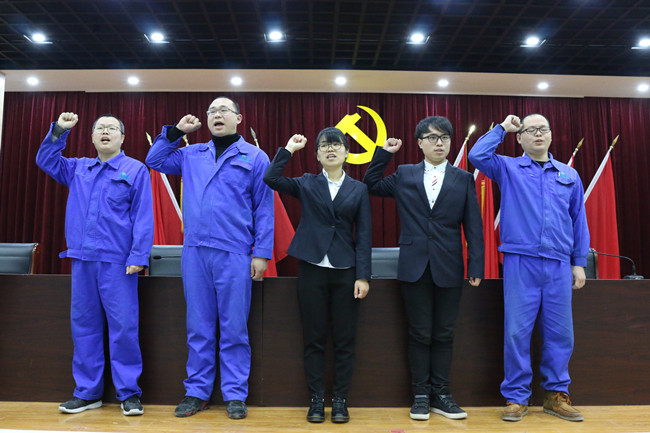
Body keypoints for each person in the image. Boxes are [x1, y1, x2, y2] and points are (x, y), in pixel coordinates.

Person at [145, 96, 274, 420]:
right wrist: (176, 131)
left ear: (238, 118)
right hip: (196, 251)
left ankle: (235, 394)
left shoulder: (255, 157)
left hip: (235, 252)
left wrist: (261, 253)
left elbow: (264, 207)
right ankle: (197, 391)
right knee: (199, 326)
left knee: (234, 327)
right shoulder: (191, 154)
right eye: (212, 111)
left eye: (224, 111)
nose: (217, 115)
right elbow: (154, 159)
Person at [468, 114, 589, 422]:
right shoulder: (508, 168)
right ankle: (516, 397)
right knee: (516, 332)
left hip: (559, 263)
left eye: (543, 129)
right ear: (519, 138)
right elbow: (477, 155)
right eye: (530, 130)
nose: (538, 134)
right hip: (521, 261)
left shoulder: (569, 175)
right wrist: (501, 129)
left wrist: (578, 262)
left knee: (560, 333)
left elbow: (579, 220)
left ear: (551, 135)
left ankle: (555, 395)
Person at [363, 116, 484, 421]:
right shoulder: (405, 173)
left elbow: (473, 225)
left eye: (444, 137)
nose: (439, 143)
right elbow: (370, 184)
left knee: (444, 333)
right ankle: (420, 396)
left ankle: (442, 395)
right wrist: (385, 153)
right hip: (414, 265)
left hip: (450, 265)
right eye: (432, 138)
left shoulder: (463, 179)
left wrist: (476, 264)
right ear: (419, 143)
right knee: (419, 333)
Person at [36, 112, 153, 416]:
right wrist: (59, 130)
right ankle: (88, 393)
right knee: (84, 327)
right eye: (100, 128)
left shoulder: (135, 169)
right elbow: (45, 160)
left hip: (118, 262)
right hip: (82, 259)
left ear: (122, 138)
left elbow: (143, 216)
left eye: (112, 128)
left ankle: (129, 393)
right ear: (91, 137)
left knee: (123, 326)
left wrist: (138, 255)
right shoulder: (78, 168)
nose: (105, 132)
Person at [263, 128, 371, 424]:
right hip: (312, 269)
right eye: (325, 146)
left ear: (347, 153)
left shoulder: (359, 189)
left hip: (346, 273)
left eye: (336, 145)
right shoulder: (307, 183)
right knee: (314, 339)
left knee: (345, 341)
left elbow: (364, 235)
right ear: (317, 155)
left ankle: (340, 401)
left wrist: (363, 276)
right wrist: (288, 149)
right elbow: (271, 178)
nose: (330, 149)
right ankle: (316, 400)